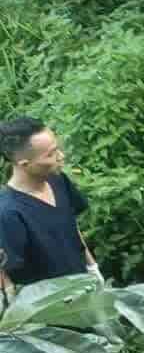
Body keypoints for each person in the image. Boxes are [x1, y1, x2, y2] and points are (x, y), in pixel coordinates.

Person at [0, 117, 102, 301]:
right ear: (24, 164)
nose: (61, 157)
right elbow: (7, 268)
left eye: (57, 148)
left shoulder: (57, 180)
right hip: (49, 307)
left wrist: (92, 266)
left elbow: (71, 225)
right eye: (51, 154)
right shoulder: (8, 212)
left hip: (83, 286)